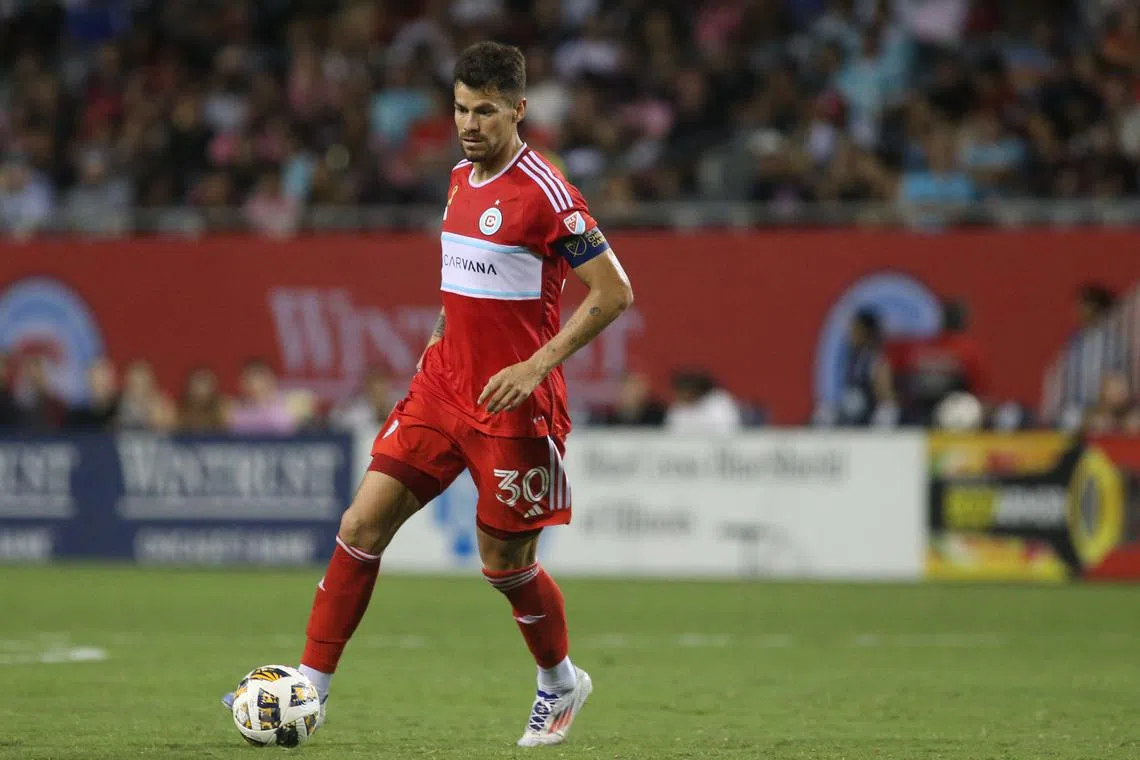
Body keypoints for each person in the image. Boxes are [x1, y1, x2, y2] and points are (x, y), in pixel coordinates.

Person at [222, 41, 634, 747]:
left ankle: (561, 681)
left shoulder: (547, 193)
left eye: (484, 112)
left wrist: (536, 366)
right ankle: (309, 690)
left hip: (513, 407)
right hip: (441, 391)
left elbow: (614, 293)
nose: (469, 124)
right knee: (360, 527)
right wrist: (441, 332)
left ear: (518, 110)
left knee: (505, 565)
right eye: (460, 109)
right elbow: (464, 275)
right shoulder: (457, 179)